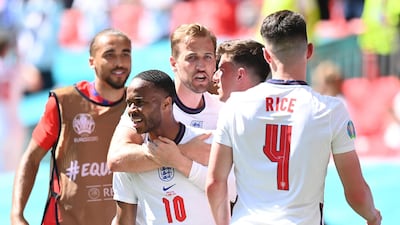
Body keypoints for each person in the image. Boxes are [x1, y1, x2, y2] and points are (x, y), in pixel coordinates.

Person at [206, 10, 382, 225]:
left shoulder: (235, 105)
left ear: (267, 56)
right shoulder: (330, 110)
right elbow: (355, 191)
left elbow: (215, 182)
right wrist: (371, 216)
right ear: (309, 51)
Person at [11, 28, 132, 225]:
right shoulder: (63, 102)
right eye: (109, 55)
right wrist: (17, 214)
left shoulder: (138, 104)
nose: (119, 62)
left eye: (125, 54)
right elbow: (31, 158)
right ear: (91, 62)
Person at [107, 23, 222, 173]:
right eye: (191, 57)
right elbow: (116, 159)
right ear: (174, 63)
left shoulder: (223, 109)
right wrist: (182, 152)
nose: (201, 66)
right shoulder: (150, 104)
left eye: (207, 57)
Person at [112, 69, 223, 224]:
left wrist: (181, 162)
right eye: (129, 104)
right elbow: (124, 220)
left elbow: (231, 193)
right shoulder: (130, 160)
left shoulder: (206, 141)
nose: (131, 111)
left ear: (166, 103)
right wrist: (175, 155)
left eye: (139, 103)